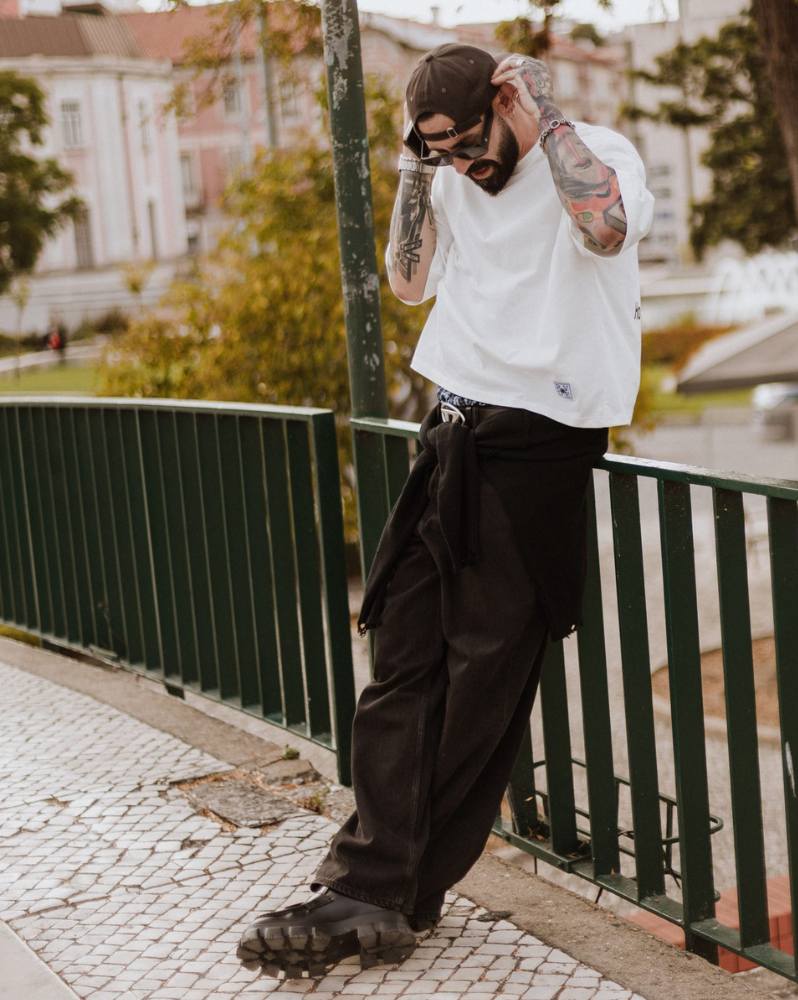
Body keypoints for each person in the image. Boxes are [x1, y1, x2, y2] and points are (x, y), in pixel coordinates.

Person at [238, 42, 654, 981]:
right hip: (451, 429)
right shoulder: (446, 175)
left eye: (470, 143)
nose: (466, 165)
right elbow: (409, 280)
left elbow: (607, 232)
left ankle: (391, 889)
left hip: (538, 446)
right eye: (444, 152)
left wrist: (543, 119)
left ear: (507, 103)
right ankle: (371, 884)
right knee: (402, 657)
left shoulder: (593, 152)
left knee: (480, 685)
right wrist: (414, 172)